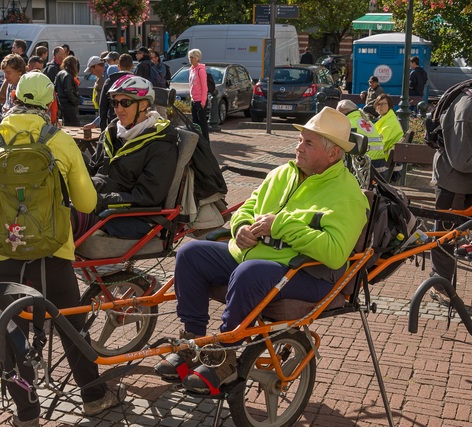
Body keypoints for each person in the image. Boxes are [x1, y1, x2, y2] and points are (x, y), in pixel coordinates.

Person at [153, 107, 368, 393]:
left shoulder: (348, 194)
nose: (298, 147)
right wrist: (240, 228)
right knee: (190, 254)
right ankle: (194, 343)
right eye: (300, 139)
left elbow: (335, 253)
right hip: (254, 259)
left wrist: (280, 226)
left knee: (250, 271)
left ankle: (224, 355)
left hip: (306, 274)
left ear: (334, 154)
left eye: (308, 143)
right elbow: (249, 208)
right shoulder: (282, 173)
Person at [0, 72, 124, 427]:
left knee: (11, 331)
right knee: (72, 326)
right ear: (51, 105)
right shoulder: (59, 141)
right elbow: (86, 201)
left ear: (13, 98)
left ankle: (27, 414)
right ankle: (94, 398)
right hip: (51, 253)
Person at [73, 75, 179, 239]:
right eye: (115, 103)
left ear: (143, 105)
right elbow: (94, 169)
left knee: (62, 220)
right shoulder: (112, 132)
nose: (118, 109)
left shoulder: (161, 145)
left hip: (133, 217)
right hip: (103, 207)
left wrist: (99, 200)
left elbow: (146, 197)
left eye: (125, 103)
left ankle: (52, 265)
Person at [430, 79, 472, 303]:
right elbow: (461, 160)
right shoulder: (468, 109)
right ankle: (439, 283)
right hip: (454, 181)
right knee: (447, 234)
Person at [336, 99, 386, 171]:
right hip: (380, 163)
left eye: (338, 112)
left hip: (364, 164)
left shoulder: (347, 123)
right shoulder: (367, 121)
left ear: (344, 110)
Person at [97, 53, 134, 131]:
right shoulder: (136, 81)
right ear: (132, 66)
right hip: (133, 121)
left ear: (118, 66)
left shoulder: (110, 80)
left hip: (115, 119)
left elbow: (103, 104)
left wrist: (102, 125)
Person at [373, 94, 404, 182]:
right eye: (378, 104)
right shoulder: (387, 118)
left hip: (387, 166)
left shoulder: (389, 123)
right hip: (391, 162)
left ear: (389, 105)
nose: (380, 107)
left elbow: (381, 144)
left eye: (383, 104)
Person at [188, 48, 210, 141]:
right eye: (189, 57)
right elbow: (191, 85)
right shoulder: (191, 69)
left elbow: (205, 87)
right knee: (195, 123)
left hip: (201, 100)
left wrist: (203, 101)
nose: (190, 59)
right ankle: (197, 142)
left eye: (192, 57)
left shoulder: (201, 70)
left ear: (197, 58)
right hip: (194, 99)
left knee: (202, 123)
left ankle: (205, 142)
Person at [54, 55, 80, 126]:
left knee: (65, 123)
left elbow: (55, 87)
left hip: (61, 102)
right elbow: (68, 90)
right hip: (69, 103)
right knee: (75, 124)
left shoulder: (60, 73)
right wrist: (74, 100)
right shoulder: (68, 75)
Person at [82, 56, 106, 130]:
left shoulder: (106, 78)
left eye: (91, 70)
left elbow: (107, 109)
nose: (92, 74)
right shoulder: (100, 77)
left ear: (96, 66)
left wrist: (94, 123)